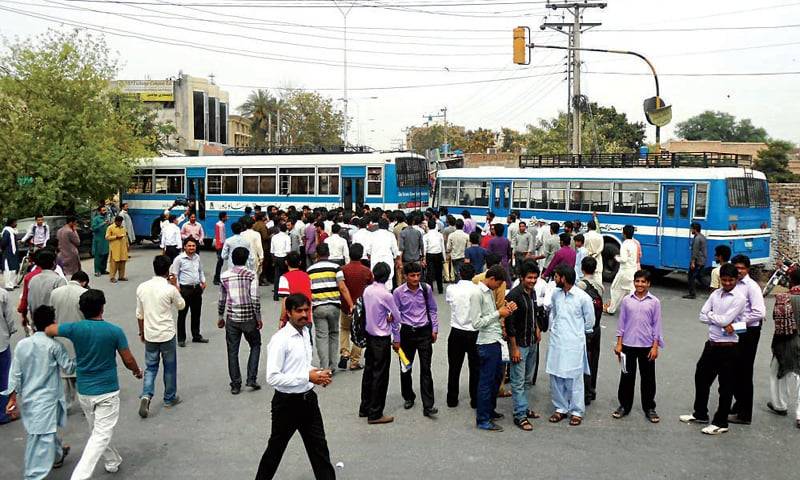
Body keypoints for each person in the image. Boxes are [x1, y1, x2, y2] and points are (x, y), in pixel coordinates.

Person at [45, 289, 143, 478]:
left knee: (97, 431)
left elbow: (49, 329)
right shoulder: (114, 331)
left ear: (81, 309)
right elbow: (128, 359)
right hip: (107, 391)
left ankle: (112, 460)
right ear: (102, 307)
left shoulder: (74, 328)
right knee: (100, 435)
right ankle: (79, 476)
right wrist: (137, 371)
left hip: (85, 390)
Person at [255, 293, 335, 480]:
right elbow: (273, 377)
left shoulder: (306, 332)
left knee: (320, 451)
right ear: (289, 313)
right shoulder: (280, 339)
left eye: (306, 310)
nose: (304, 315)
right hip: (286, 405)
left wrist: (317, 374)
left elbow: (301, 366)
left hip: (309, 401)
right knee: (275, 451)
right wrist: (307, 376)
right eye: (299, 311)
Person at [3, 306, 74, 478]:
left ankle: (57, 454)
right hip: (47, 400)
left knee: (42, 431)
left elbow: (15, 374)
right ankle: (34, 475)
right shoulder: (54, 346)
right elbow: (69, 367)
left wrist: (12, 399)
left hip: (28, 399)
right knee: (40, 439)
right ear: (53, 322)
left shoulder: (22, 345)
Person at [679, 264, 746, 435]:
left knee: (725, 387)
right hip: (711, 344)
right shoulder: (716, 294)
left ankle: (721, 422)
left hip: (729, 347)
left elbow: (725, 320)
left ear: (736, 280)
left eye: (731, 280)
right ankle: (700, 413)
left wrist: (712, 317)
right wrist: (716, 318)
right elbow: (702, 314)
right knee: (701, 378)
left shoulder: (739, 298)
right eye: (724, 280)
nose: (727, 283)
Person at [136, 255, 186, 418]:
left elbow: (140, 314)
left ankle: (146, 394)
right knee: (169, 367)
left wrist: (142, 332)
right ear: (168, 270)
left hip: (150, 333)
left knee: (151, 367)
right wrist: (175, 285)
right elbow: (181, 305)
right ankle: (169, 397)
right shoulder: (169, 289)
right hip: (166, 333)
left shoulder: (142, 287)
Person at [612, 270, 664, 423]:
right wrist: (619, 343)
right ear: (634, 282)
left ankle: (649, 407)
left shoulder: (654, 302)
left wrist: (655, 347)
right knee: (627, 376)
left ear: (648, 283)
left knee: (648, 378)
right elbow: (621, 323)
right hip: (628, 344)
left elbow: (657, 325)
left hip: (647, 345)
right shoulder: (627, 300)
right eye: (638, 281)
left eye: (643, 282)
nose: (640, 284)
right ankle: (624, 406)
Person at [546, 264, 595, 427]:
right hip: (557, 342)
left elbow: (590, 323)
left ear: (564, 278)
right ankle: (560, 408)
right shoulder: (556, 294)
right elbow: (554, 313)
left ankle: (576, 411)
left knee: (574, 378)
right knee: (556, 375)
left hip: (574, 343)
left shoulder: (583, 298)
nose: (555, 279)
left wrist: (578, 336)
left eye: (557, 276)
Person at [473, 265, 517, 431]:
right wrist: (499, 313)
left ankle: (490, 411)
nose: (499, 287)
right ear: (491, 279)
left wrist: (504, 312)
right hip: (486, 342)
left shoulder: (488, 292)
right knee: (486, 381)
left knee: (495, 379)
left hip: (495, 339)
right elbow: (477, 322)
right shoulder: (477, 294)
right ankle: (483, 419)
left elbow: (492, 316)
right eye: (498, 284)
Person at [393, 261, 439, 417]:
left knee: (426, 369)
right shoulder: (398, 293)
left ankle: (428, 405)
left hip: (424, 333)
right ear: (405, 276)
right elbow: (395, 317)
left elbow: (432, 310)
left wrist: (434, 329)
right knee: (405, 367)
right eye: (412, 275)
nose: (415, 278)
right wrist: (396, 338)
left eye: (418, 275)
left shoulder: (426, 289)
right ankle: (408, 396)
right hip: (406, 334)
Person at [359, 262, 402, 424]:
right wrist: (390, 318)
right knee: (380, 376)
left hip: (369, 334)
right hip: (381, 337)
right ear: (388, 276)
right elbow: (397, 316)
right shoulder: (386, 295)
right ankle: (375, 413)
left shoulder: (368, 290)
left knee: (369, 372)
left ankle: (365, 407)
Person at [218, 247, 262, 395]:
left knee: (232, 351)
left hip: (232, 317)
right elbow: (255, 298)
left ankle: (236, 384)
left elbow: (222, 298)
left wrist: (220, 316)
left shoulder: (225, 276)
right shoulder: (251, 275)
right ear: (246, 259)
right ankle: (251, 378)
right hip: (249, 317)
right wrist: (258, 318)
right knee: (255, 345)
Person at [505, 261, 542, 431]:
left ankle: (524, 407)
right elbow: (509, 324)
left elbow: (533, 313)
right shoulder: (514, 295)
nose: (532, 281)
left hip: (532, 342)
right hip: (519, 344)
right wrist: (514, 348)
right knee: (518, 381)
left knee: (527, 380)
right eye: (529, 278)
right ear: (521, 278)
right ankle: (520, 415)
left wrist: (536, 329)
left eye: (535, 278)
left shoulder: (532, 293)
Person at [729, 254, 766, 425]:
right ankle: (739, 404)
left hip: (749, 331)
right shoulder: (734, 284)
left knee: (744, 371)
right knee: (734, 369)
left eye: (741, 269)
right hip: (737, 330)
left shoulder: (752, 287)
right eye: (736, 268)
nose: (739, 271)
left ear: (747, 270)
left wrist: (739, 322)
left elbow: (759, 312)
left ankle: (745, 414)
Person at [308, 243, 353, 372]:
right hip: (334, 306)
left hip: (318, 307)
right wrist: (350, 304)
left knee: (322, 336)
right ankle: (333, 366)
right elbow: (342, 288)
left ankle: (324, 366)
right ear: (328, 253)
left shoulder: (310, 270)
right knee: (333, 334)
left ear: (317, 254)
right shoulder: (336, 267)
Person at [50, 271, 90, 413]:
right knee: (81, 373)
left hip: (60, 335)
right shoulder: (85, 293)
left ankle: (64, 405)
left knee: (64, 374)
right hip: (80, 338)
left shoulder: (55, 293)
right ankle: (87, 405)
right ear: (84, 282)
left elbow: (51, 315)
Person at [767, 267, 800, 428]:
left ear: (791, 280)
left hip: (786, 341)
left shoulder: (784, 298)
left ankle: (779, 405)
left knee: (777, 372)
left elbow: (776, 320)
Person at [445, 263, 479, 409]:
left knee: (454, 367)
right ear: (474, 275)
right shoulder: (478, 290)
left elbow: (449, 302)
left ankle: (452, 399)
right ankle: (475, 399)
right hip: (474, 331)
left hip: (457, 330)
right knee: (475, 367)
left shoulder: (451, 289)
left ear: (459, 273)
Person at [339, 244, 373, 370]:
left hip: (345, 305)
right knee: (359, 332)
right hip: (360, 307)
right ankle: (354, 361)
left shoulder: (342, 269)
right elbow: (371, 286)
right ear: (361, 254)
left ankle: (344, 351)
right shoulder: (366, 271)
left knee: (344, 328)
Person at [576, 256, 604, 405]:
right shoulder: (600, 286)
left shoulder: (580, 286)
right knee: (594, 359)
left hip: (584, 328)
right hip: (597, 327)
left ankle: (584, 392)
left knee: (583, 360)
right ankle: (592, 389)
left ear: (582, 268)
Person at [171, 238, 208, 347]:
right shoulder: (179, 259)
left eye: (193, 246)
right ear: (184, 247)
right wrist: (177, 287)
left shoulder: (197, 258)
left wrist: (203, 281)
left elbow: (200, 271)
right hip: (184, 289)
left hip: (196, 288)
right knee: (182, 314)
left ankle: (196, 335)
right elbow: (174, 274)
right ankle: (181, 338)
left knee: (196, 313)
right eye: (189, 246)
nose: (191, 248)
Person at [606, 225, 639, 315]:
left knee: (615, 289)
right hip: (633, 271)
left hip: (624, 272)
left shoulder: (625, 244)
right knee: (631, 291)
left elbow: (623, 259)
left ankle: (611, 309)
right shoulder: (634, 243)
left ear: (624, 234)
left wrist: (617, 258)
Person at [26, 250, 67, 318]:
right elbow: (63, 304)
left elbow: (30, 302)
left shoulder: (33, 280)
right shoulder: (59, 280)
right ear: (54, 263)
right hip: (53, 322)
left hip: (37, 321)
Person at [277, 252, 312, 326]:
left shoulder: (284, 278)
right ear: (300, 262)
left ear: (286, 262)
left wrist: (282, 318)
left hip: (292, 317)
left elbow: (285, 300)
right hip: (306, 315)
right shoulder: (307, 276)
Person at [0, 283, 17, 425]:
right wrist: (11, 330)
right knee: (4, 379)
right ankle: (4, 413)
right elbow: (9, 318)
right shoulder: (2, 294)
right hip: (1, 342)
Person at [367, 218, 400, 290]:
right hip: (387, 260)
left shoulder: (372, 235)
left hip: (375, 261)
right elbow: (395, 250)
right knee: (388, 285)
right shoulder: (390, 235)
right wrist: (396, 258)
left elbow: (368, 251)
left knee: (375, 282)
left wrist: (370, 256)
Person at [684, 222, 707, 299]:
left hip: (698, 261)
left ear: (695, 229)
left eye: (692, 229)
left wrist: (693, 262)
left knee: (691, 277)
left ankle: (692, 293)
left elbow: (695, 251)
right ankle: (711, 287)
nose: (691, 230)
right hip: (702, 260)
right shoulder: (702, 237)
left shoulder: (697, 238)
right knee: (700, 276)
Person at [423, 219, 446, 294]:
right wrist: (444, 258)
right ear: (436, 226)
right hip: (439, 254)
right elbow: (443, 247)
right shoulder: (440, 235)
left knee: (430, 272)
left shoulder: (426, 236)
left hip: (429, 254)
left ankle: (430, 289)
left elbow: (425, 248)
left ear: (428, 226)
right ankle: (440, 289)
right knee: (439, 272)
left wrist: (424, 258)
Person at [271, 222, 292, 302]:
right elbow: (288, 250)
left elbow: (272, 250)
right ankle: (286, 293)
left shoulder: (274, 237)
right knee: (286, 276)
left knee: (277, 276)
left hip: (276, 257)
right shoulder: (287, 237)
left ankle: (276, 295)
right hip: (284, 257)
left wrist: (273, 260)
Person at [105, 216, 129, 283]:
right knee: (114, 264)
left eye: (121, 222)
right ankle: (112, 277)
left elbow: (125, 237)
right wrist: (116, 237)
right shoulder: (110, 228)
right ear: (115, 221)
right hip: (115, 249)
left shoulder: (123, 228)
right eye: (118, 222)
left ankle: (121, 276)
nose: (119, 223)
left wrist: (127, 245)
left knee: (122, 263)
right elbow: (107, 237)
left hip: (123, 248)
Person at [91, 206, 111, 277]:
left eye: (105, 210)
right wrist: (102, 224)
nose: (105, 211)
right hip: (99, 240)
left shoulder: (106, 218)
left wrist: (109, 223)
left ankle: (103, 269)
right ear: (99, 211)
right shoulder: (96, 219)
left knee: (105, 255)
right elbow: (93, 228)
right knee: (98, 256)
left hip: (106, 240)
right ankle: (97, 271)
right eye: (103, 210)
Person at [213, 212, 228, 285]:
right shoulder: (221, 225)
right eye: (226, 216)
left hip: (219, 245)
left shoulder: (219, 224)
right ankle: (216, 278)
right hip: (220, 246)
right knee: (220, 263)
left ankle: (217, 277)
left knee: (220, 263)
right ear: (223, 218)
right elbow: (221, 237)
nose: (227, 218)